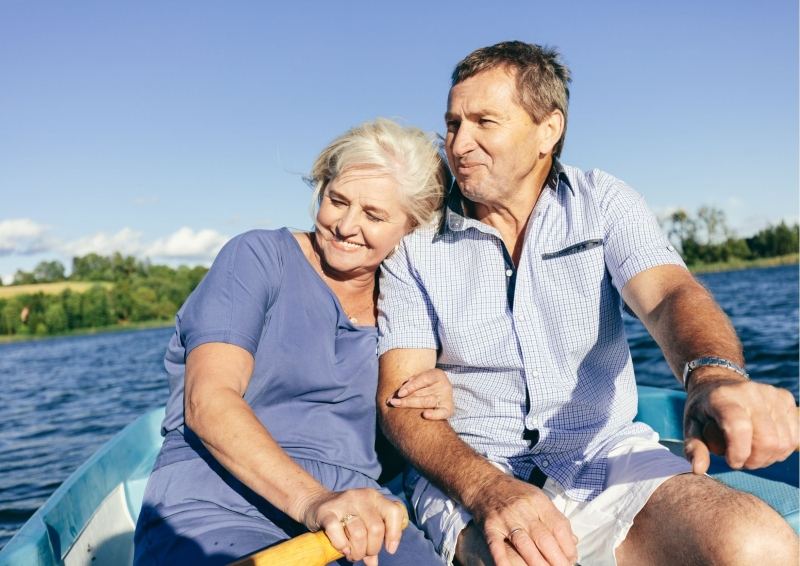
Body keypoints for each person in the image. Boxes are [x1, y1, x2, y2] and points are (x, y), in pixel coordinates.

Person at [376, 41, 799, 566]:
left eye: (485, 122)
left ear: (547, 130)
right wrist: (488, 491)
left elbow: (668, 295)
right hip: (471, 474)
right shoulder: (414, 246)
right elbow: (401, 401)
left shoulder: (602, 201)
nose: (459, 143)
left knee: (755, 543)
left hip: (604, 453)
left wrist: (713, 377)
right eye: (454, 123)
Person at [133, 118, 451, 566]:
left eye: (374, 215)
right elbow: (208, 401)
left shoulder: (410, 306)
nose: (345, 225)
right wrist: (314, 502)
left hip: (359, 511)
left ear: (412, 228)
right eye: (336, 200)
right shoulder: (258, 257)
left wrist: (436, 392)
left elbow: (393, 451)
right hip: (219, 496)